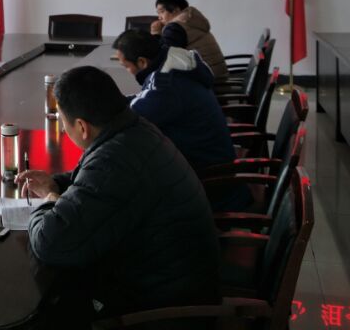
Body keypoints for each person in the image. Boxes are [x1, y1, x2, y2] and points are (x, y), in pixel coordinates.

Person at [17, 66, 220, 326]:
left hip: (165, 310)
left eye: (64, 123)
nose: (64, 130)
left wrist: (50, 201)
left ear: (81, 127)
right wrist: (55, 183)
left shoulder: (115, 160)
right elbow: (96, 182)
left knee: (49, 306)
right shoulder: (133, 128)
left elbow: (51, 243)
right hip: (176, 280)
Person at [113, 29, 249, 212]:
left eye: (126, 66)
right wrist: (115, 101)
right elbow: (144, 99)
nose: (127, 71)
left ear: (142, 62)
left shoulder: (167, 86)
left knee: (128, 180)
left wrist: (101, 108)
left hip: (208, 182)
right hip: (213, 165)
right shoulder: (173, 65)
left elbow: (129, 118)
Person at [150, 0, 228, 80]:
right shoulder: (191, 21)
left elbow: (162, 57)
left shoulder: (175, 27)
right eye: (158, 13)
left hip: (207, 82)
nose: (159, 17)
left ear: (176, 10)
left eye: (162, 12)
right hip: (220, 76)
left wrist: (156, 34)